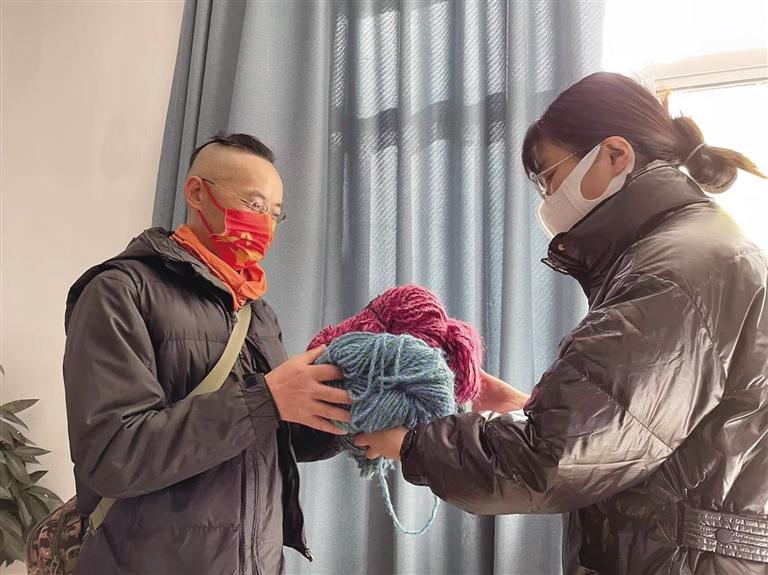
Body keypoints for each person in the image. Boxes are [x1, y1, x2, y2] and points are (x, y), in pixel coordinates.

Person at [355, 72, 768, 574]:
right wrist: (523, 408)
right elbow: (642, 432)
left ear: (615, 154)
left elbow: (553, 462)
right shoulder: (695, 250)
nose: (548, 197)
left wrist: (412, 442)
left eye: (549, 176)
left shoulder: (673, 273)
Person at [63, 133, 351, 574]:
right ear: (197, 193)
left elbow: (275, 436)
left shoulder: (256, 312)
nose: (266, 224)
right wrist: (264, 400)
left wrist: (347, 416)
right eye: (254, 204)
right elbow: (113, 455)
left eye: (275, 212)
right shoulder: (119, 292)